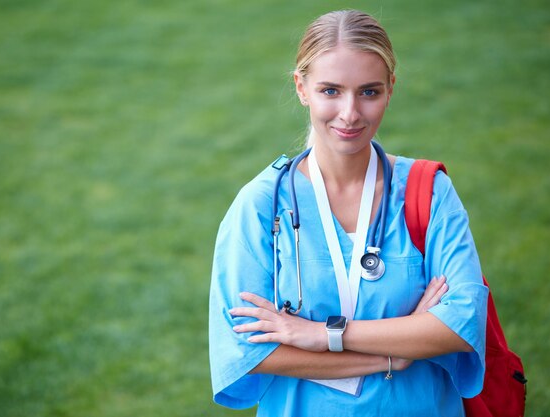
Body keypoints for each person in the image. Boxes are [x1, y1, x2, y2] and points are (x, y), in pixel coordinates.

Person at [209, 9, 488, 416]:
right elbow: (248, 352)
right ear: (302, 88)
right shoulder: (262, 205)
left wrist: (321, 335)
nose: (350, 113)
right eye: (330, 91)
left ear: (391, 89)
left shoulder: (428, 192)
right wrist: (394, 355)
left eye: (369, 92)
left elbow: (459, 324)